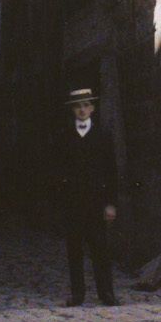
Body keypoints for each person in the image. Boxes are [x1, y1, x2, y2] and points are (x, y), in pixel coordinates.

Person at [59, 87, 118, 307]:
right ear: (72, 110)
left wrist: (110, 203)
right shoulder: (64, 135)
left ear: (92, 108)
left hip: (96, 202)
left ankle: (106, 293)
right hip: (73, 202)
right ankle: (78, 293)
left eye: (85, 105)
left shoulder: (103, 134)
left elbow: (111, 171)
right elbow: (58, 170)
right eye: (77, 106)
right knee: (74, 249)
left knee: (100, 249)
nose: (82, 110)